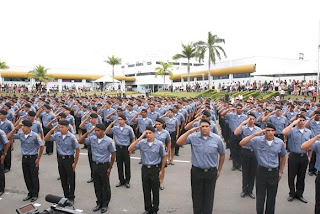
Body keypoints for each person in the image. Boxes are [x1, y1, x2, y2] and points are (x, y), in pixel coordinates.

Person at [177, 119, 226, 214]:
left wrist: (219, 170)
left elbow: (222, 154)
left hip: (211, 172)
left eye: (206, 126)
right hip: (197, 171)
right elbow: (179, 142)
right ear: (199, 128)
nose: (204, 128)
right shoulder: (193, 137)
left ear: (210, 128)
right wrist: (190, 131)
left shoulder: (217, 139)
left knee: (209, 196)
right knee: (196, 196)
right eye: (202, 126)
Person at [240, 123, 287, 214]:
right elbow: (242, 143)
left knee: (272, 197)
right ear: (264, 131)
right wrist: (254, 134)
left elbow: (283, 156)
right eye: (268, 130)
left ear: (275, 132)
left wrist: (281, 171)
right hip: (262, 171)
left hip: (274, 172)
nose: (270, 133)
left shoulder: (279, 142)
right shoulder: (257, 140)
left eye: (272, 131)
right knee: (260, 197)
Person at [128, 126, 166, 214]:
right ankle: (148, 208)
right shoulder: (142, 142)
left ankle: (155, 208)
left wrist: (162, 170)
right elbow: (130, 149)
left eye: (150, 133)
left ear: (154, 134)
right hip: (145, 168)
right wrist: (141, 137)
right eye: (146, 133)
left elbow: (164, 157)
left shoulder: (159, 144)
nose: (148, 135)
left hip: (155, 169)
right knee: (146, 190)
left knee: (155, 190)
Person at [79, 124, 116, 213]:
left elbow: (113, 154)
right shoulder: (92, 138)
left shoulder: (109, 141)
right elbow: (80, 141)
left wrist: (110, 168)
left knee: (105, 185)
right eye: (96, 130)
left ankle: (105, 204)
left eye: (98, 130)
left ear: (103, 131)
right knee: (97, 185)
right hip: (95, 164)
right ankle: (99, 202)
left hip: (104, 165)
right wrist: (87, 132)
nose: (96, 132)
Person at [8, 120, 44, 202]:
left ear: (28, 127)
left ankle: (35, 194)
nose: (22, 128)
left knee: (34, 177)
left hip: (33, 158)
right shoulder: (21, 134)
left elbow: (41, 146)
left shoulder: (35, 135)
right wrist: (15, 129)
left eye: (24, 126)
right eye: (22, 126)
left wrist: (38, 158)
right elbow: (9, 136)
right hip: (24, 158)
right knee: (26, 176)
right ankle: (30, 192)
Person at [44, 120, 80, 204]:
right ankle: (66, 195)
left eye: (62, 127)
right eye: (59, 127)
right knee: (63, 179)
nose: (60, 129)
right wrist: (52, 130)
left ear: (67, 128)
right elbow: (46, 138)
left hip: (69, 159)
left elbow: (77, 149)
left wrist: (75, 163)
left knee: (71, 179)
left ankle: (71, 197)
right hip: (60, 159)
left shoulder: (71, 137)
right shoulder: (57, 135)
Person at [282, 115, 312, 203]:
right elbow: (284, 132)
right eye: (299, 120)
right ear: (296, 121)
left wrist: (309, 156)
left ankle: (299, 194)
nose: (301, 122)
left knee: (301, 177)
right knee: (291, 176)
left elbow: (310, 145)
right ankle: (291, 193)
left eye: (303, 120)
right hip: (293, 156)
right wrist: (293, 123)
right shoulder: (292, 130)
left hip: (304, 157)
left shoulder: (309, 132)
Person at [234, 113, 261, 199]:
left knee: (253, 172)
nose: (251, 120)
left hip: (254, 152)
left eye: (253, 119)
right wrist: (242, 123)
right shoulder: (243, 128)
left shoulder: (258, 129)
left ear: (255, 120)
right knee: (245, 172)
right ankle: (244, 190)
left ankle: (250, 190)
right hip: (245, 151)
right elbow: (236, 133)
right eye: (249, 119)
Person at [106, 115, 135, 188]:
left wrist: (131, 148)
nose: (120, 121)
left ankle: (127, 181)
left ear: (125, 120)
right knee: (119, 165)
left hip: (126, 148)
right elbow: (106, 131)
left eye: (121, 119)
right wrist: (111, 124)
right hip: (118, 148)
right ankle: (121, 180)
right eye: (119, 119)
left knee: (127, 165)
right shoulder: (115, 128)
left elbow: (133, 138)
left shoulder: (129, 129)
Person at [154, 118, 171, 190]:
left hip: (162, 152)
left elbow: (169, 142)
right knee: (154, 167)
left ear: (162, 125)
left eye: (159, 124)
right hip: (154, 152)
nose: (157, 126)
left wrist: (168, 151)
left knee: (162, 168)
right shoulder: (153, 131)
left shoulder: (166, 132)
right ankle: (155, 181)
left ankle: (161, 182)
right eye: (156, 124)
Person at [0, 129, 9, 196]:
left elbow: (6, 143)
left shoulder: (1, 132)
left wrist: (4, 154)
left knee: (0, 172)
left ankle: (1, 189)